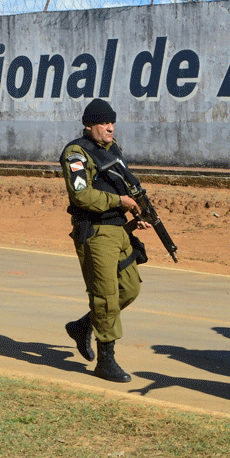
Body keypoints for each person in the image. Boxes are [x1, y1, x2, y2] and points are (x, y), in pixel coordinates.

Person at [60, 98, 144, 383]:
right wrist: (118, 201)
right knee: (105, 297)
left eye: (112, 122)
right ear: (89, 125)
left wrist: (135, 209)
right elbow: (81, 195)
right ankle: (106, 361)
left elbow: (121, 183)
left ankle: (84, 325)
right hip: (95, 233)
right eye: (103, 123)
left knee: (130, 288)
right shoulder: (76, 154)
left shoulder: (113, 149)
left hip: (119, 229)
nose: (110, 127)